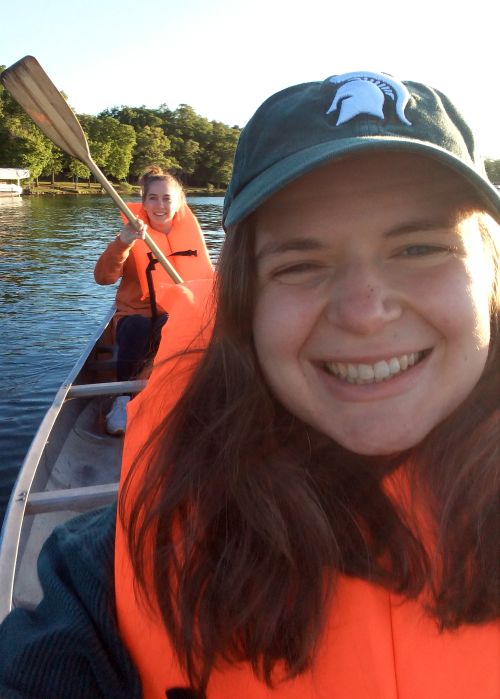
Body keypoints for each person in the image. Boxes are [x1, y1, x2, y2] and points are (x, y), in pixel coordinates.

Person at [0, 70, 498, 699]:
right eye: (301, 263)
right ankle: (124, 403)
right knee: (130, 350)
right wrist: (128, 247)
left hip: (174, 313)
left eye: (419, 250)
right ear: (247, 303)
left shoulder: (191, 251)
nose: (366, 312)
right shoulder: (106, 573)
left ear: (490, 279)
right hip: (139, 322)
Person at [94, 165, 214, 435]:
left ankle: (174, 395)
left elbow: (209, 281)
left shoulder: (192, 236)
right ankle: (123, 397)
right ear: (144, 201)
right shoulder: (129, 236)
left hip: (172, 315)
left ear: (179, 201)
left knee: (173, 324)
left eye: (167, 198)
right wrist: (122, 243)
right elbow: (103, 278)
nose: (160, 205)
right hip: (134, 317)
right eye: (153, 198)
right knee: (137, 326)